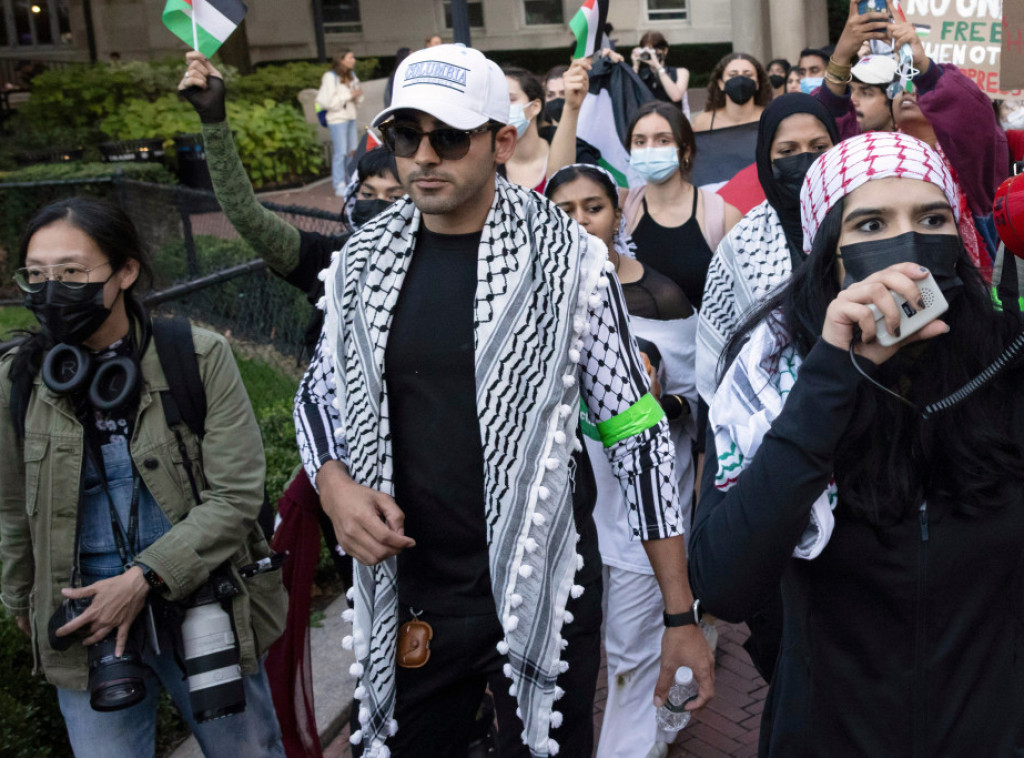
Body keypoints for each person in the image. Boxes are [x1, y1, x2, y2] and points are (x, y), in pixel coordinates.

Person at [294, 43, 714, 757]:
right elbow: (316, 397)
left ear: (502, 142)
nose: (425, 156)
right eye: (405, 136)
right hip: (409, 588)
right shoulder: (363, 261)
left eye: (450, 137)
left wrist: (679, 614)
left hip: (547, 585)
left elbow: (635, 431)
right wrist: (334, 486)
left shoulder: (570, 263)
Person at [689, 129, 1024, 756]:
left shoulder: (1005, 364)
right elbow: (724, 583)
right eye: (871, 224)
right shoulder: (771, 380)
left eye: (932, 219)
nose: (909, 244)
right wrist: (834, 375)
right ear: (828, 254)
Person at [0, 197, 288, 756]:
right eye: (36, 275)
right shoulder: (19, 380)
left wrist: (142, 580)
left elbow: (235, 496)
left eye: (72, 273)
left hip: (200, 599)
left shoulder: (196, 357)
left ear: (125, 271)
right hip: (86, 615)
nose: (52, 291)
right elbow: (12, 506)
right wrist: (20, 599)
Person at [545, 164, 698, 758]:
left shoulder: (661, 297)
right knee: (583, 648)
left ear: (618, 215)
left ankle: (639, 739)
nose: (581, 221)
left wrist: (656, 405)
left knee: (633, 647)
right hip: (565, 511)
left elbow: (697, 399)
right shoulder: (532, 295)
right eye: (565, 210)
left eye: (594, 207)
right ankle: (664, 713)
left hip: (644, 505)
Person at [697, 93, 840, 403]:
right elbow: (719, 350)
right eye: (788, 151)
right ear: (765, 158)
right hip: (771, 412)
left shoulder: (865, 224)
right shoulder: (743, 243)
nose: (806, 160)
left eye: (819, 148)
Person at [623, 100, 732, 309]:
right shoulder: (620, 208)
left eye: (663, 140)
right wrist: (571, 110)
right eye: (640, 141)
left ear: (686, 151)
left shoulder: (722, 215)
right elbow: (563, 186)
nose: (649, 149)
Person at [317, 50, 365, 196]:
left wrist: (356, 95)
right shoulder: (330, 77)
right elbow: (329, 102)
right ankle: (339, 184)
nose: (353, 60)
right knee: (341, 153)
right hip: (337, 119)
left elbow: (358, 98)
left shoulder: (352, 75)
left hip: (350, 116)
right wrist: (349, 94)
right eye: (350, 57)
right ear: (341, 60)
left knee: (352, 152)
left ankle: (351, 181)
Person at [691, 53, 771, 132]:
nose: (740, 80)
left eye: (748, 75)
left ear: (757, 84)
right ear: (721, 84)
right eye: (732, 75)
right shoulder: (704, 122)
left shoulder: (771, 118)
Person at [503, 65, 550, 192]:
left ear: (535, 107)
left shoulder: (571, 153)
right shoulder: (487, 166)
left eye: (511, 99)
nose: (502, 107)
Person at [630, 31, 690, 117]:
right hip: (647, 121)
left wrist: (658, 67)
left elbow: (676, 96)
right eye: (647, 50)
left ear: (665, 50)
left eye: (653, 50)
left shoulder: (681, 72)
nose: (651, 54)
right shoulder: (640, 74)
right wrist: (635, 65)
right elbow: (630, 96)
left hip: (673, 120)